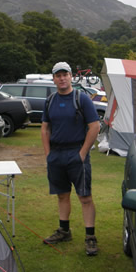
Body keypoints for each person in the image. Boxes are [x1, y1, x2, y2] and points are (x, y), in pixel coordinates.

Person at [41, 61, 101, 256]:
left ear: (71, 76)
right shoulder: (49, 100)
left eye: (65, 74)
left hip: (76, 152)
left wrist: (83, 153)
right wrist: (48, 154)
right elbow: (45, 128)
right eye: (58, 75)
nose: (62, 78)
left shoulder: (81, 99)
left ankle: (90, 237)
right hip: (56, 155)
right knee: (62, 194)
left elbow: (95, 126)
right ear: (54, 79)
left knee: (85, 196)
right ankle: (64, 231)